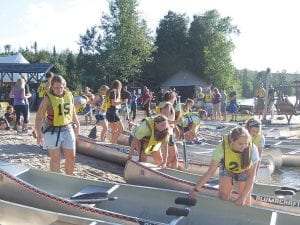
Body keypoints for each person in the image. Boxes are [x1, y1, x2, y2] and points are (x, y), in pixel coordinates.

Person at [189, 127, 260, 206]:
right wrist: (196, 190)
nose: (243, 146)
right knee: (223, 196)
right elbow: (210, 171)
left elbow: (251, 176)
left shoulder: (252, 149)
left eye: (245, 143)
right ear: (232, 140)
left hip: (244, 171)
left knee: (245, 201)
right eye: (240, 144)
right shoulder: (222, 147)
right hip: (228, 169)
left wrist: (242, 197)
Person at [35, 75, 80, 175]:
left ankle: (69, 178)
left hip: (67, 129)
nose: (59, 89)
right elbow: (39, 118)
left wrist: (77, 124)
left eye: (61, 87)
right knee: (56, 158)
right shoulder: (47, 98)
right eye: (56, 87)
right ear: (52, 87)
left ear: (64, 85)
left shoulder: (69, 95)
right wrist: (39, 134)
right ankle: (55, 179)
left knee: (71, 156)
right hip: (51, 131)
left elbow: (72, 112)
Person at [158, 90, 179, 168]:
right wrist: (177, 122)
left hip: (170, 132)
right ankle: (161, 167)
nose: (175, 100)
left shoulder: (167, 105)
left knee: (176, 155)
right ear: (171, 97)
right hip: (167, 132)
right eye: (174, 98)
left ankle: (173, 173)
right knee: (173, 155)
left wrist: (175, 126)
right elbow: (164, 120)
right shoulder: (167, 105)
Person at [106, 80, 124, 144]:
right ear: (119, 86)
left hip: (108, 112)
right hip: (113, 112)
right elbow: (113, 103)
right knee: (121, 129)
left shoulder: (109, 91)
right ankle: (112, 142)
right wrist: (123, 102)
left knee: (114, 130)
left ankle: (113, 143)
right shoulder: (114, 92)